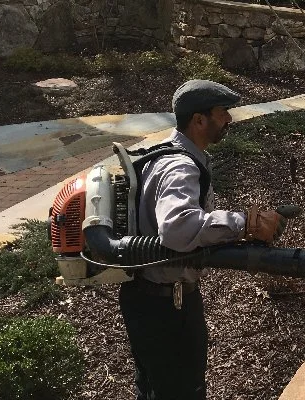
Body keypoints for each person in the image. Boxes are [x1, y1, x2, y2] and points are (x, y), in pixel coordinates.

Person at [119, 79, 287, 400]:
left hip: (148, 300)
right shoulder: (181, 166)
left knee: (155, 391)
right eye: (222, 112)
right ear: (199, 120)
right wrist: (245, 224)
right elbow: (177, 227)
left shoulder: (162, 154)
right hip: (165, 309)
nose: (229, 120)